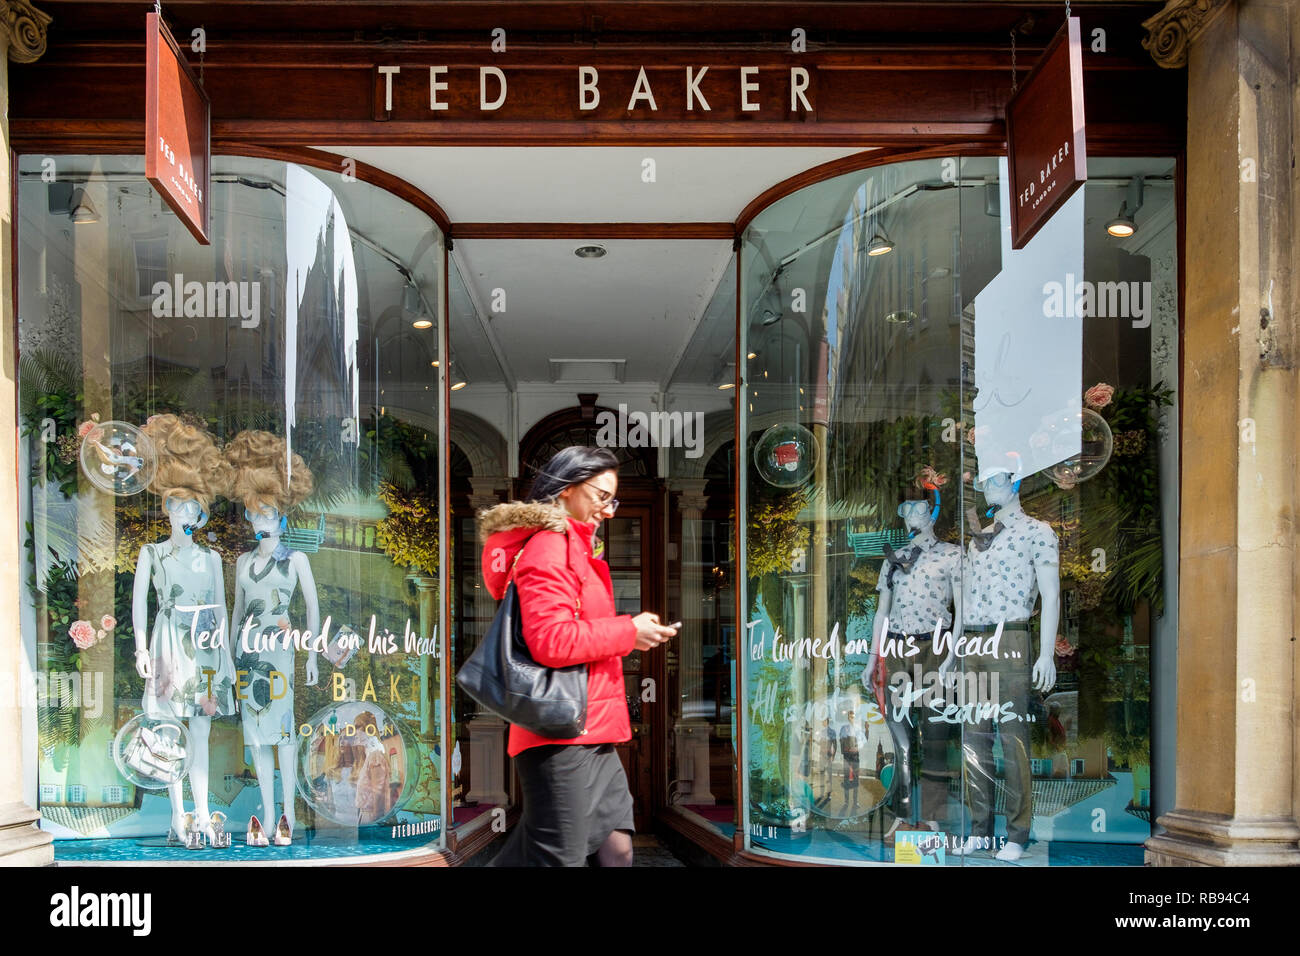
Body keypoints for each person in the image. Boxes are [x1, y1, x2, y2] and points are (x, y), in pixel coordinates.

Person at [478, 446, 678, 866]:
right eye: (601, 496)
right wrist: (628, 630)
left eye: (613, 499)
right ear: (567, 489)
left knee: (617, 849)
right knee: (558, 858)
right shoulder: (548, 549)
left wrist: (632, 637)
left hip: (593, 730)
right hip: (560, 736)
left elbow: (579, 633)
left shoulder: (577, 549)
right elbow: (550, 640)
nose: (608, 510)